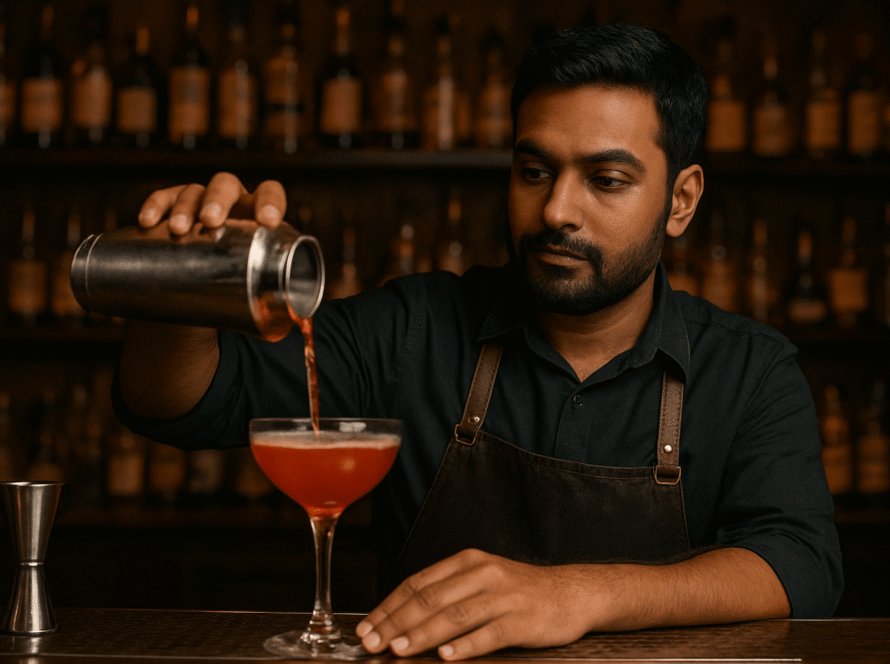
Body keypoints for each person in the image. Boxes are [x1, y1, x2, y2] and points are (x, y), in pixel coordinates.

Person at [116, 22, 842, 661]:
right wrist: (176, 287)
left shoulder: (749, 369)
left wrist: (575, 597)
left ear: (680, 201)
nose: (557, 209)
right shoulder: (415, 328)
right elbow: (182, 406)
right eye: (534, 171)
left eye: (607, 180)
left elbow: (801, 567)